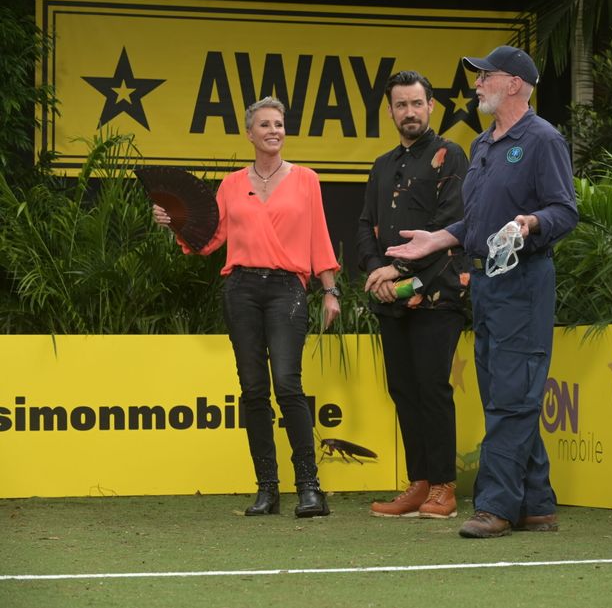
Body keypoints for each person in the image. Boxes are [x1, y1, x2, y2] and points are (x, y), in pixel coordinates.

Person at [386, 46, 578, 538]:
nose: (476, 84)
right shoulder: (485, 145)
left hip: (524, 281)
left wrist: (533, 222)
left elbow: (565, 210)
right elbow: (476, 221)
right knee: (502, 392)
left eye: (485, 76)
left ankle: (495, 505)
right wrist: (439, 238)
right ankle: (536, 503)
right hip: (487, 283)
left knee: (512, 396)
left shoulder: (542, 140)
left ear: (514, 83)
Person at [152, 96, 340, 518]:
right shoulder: (231, 184)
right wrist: (174, 222)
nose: (274, 131)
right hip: (239, 288)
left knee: (287, 384)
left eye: (279, 124)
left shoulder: (306, 179)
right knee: (253, 389)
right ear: (249, 133)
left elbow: (319, 238)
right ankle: (267, 491)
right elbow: (209, 237)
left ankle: (310, 488)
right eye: (265, 125)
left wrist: (331, 292)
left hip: (286, 288)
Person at [356, 70, 470, 519]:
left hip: (438, 295)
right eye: (401, 105)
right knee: (402, 389)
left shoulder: (451, 155)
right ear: (390, 112)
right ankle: (419, 484)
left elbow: (450, 224)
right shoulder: (382, 165)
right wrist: (374, 269)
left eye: (416, 104)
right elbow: (365, 224)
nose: (409, 112)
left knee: (431, 388)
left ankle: (445, 486)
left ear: (430, 107)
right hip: (390, 299)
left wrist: (395, 268)